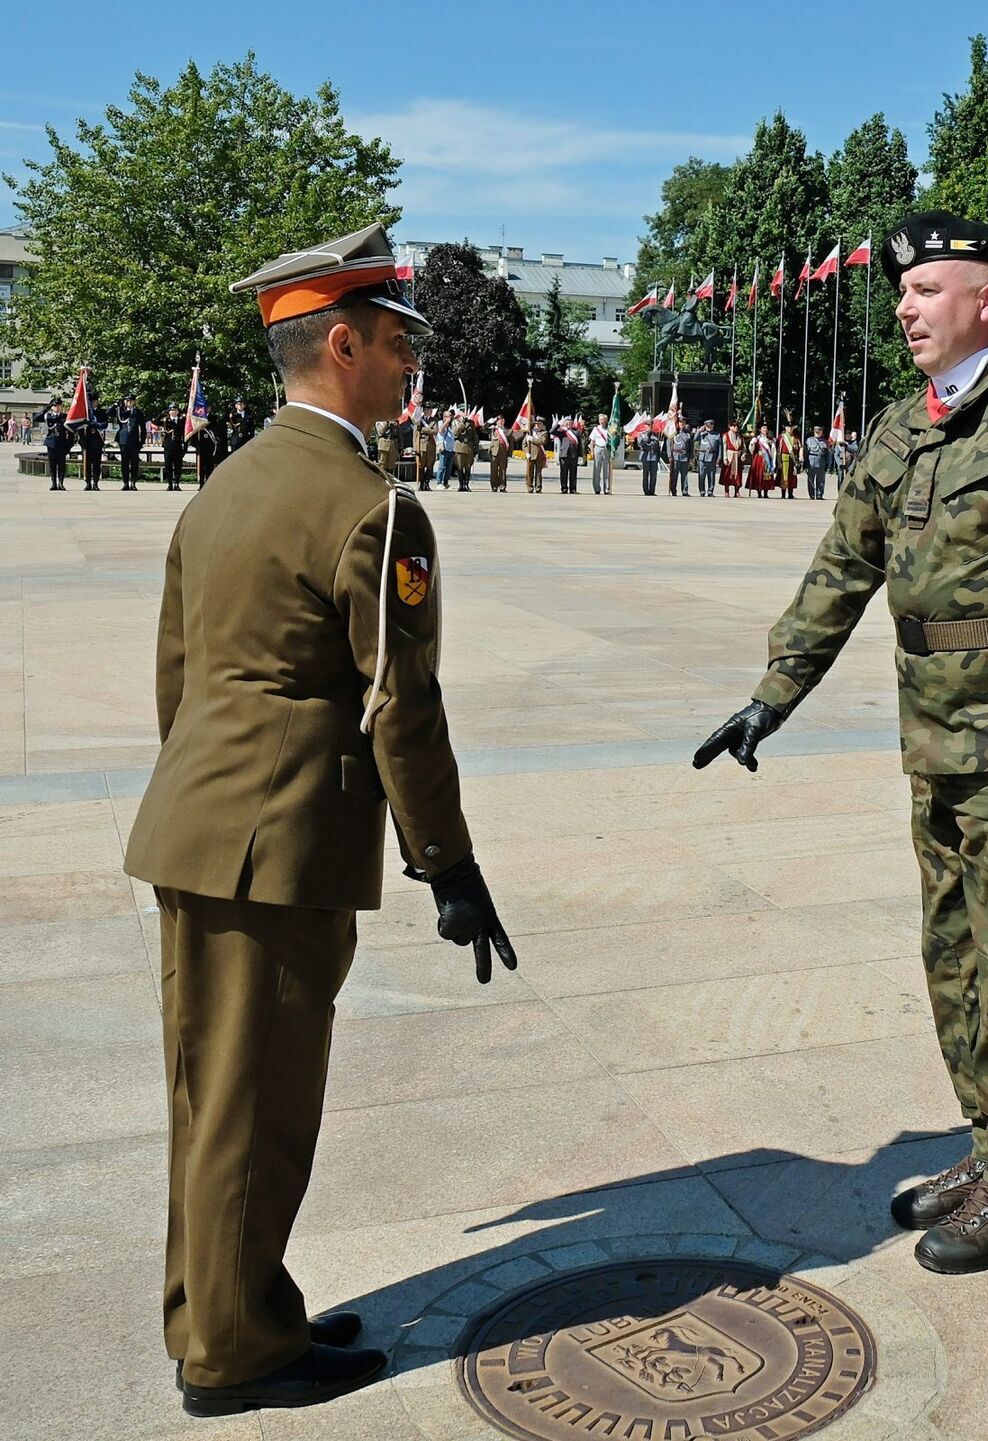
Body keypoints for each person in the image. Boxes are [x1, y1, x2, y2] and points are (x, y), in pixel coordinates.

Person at [694, 210, 988, 1276]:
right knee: (953, 959)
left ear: (987, 299)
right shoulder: (903, 426)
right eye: (902, 293)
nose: (905, 307)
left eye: (927, 290)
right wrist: (775, 693)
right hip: (935, 743)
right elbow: (841, 568)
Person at [124, 221, 516, 1418]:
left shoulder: (227, 483)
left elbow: (176, 674)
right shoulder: (372, 506)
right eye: (397, 343)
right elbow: (403, 705)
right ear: (339, 343)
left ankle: (224, 1308)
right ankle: (238, 1355)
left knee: (209, 1093)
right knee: (262, 1106)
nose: (410, 368)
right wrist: (448, 862)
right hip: (282, 844)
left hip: (196, 824)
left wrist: (205, 799)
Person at [38, 399, 72, 490]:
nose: (57, 407)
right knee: (52, 464)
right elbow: (36, 418)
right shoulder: (47, 416)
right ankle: (53, 483)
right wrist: (47, 408)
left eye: (58, 405)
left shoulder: (65, 416)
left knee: (61, 465)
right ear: (52, 407)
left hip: (62, 443)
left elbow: (71, 430)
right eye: (55, 405)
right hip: (51, 443)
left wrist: (69, 444)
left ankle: (61, 483)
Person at [114, 396, 146, 490]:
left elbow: (143, 428)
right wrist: (116, 405)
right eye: (127, 401)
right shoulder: (121, 411)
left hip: (135, 441)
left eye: (131, 401)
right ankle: (125, 483)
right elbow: (109, 413)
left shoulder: (138, 412)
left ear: (134, 402)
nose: (129, 402)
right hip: (123, 440)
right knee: (124, 463)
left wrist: (142, 442)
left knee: (134, 463)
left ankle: (133, 483)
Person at [79, 405, 107, 490]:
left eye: (95, 401)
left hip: (97, 442)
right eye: (91, 401)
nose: (93, 403)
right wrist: (81, 439)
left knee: (96, 465)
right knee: (87, 464)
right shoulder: (84, 412)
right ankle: (88, 483)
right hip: (87, 442)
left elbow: (104, 424)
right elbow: (80, 426)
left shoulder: (101, 412)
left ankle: (95, 483)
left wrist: (95, 424)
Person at [551, 417, 582, 494]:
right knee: (563, 473)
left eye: (570, 423)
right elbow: (552, 431)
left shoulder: (576, 432)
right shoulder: (562, 432)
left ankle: (573, 489)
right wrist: (558, 424)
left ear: (572, 424)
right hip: (564, 455)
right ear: (564, 424)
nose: (568, 425)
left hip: (573, 455)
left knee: (573, 473)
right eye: (566, 423)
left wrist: (580, 455)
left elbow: (580, 445)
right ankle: (564, 488)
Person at [160, 404, 186, 490]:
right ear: (169, 411)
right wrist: (162, 414)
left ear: (178, 412)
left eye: (176, 410)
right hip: (168, 446)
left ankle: (177, 484)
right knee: (168, 467)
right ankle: (170, 484)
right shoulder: (165, 421)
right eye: (172, 410)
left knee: (178, 466)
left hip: (178, 446)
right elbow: (155, 422)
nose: (174, 412)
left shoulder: (182, 421)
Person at [803, 424, 830, 500]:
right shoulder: (809, 440)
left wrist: (828, 464)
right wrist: (805, 462)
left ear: (821, 432)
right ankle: (811, 495)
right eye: (816, 432)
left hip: (821, 462)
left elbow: (827, 454)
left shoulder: (825, 442)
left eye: (819, 432)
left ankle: (819, 494)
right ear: (814, 432)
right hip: (811, 462)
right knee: (810, 480)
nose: (817, 433)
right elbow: (806, 452)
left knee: (821, 480)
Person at [696, 419, 722, 496]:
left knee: (711, 475)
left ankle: (710, 491)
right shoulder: (702, 434)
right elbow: (694, 439)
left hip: (712, 457)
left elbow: (719, 447)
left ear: (713, 426)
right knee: (701, 475)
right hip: (702, 457)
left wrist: (719, 458)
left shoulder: (717, 435)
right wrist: (699, 431)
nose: (709, 427)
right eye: (707, 425)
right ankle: (702, 491)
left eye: (710, 425)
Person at [747, 423, 774, 497]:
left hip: (767, 459)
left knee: (767, 475)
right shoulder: (757, 439)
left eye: (766, 428)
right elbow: (751, 450)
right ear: (760, 430)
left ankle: (766, 492)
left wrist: (771, 444)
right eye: (763, 428)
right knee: (759, 475)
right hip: (759, 458)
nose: (765, 430)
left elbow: (773, 450)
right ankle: (759, 492)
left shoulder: (770, 439)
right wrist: (752, 444)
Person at [414, 408, 438, 490]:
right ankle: (422, 484)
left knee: (430, 465)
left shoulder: (434, 420)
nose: (428, 412)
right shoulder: (419, 421)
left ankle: (427, 484)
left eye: (430, 411)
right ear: (423, 412)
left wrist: (423, 429)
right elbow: (415, 435)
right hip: (421, 446)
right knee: (421, 465)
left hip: (431, 446)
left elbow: (435, 431)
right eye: (427, 411)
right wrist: (415, 448)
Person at [452, 410, 476, 490]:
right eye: (463, 412)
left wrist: (476, 447)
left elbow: (474, 435)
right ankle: (461, 484)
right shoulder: (455, 422)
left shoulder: (471, 423)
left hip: (469, 447)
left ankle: (466, 484)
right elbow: (455, 433)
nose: (465, 413)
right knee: (460, 467)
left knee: (468, 467)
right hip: (459, 447)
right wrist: (462, 422)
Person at [488, 415, 513, 492]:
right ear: (496, 421)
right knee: (493, 470)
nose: (501, 422)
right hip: (494, 452)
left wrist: (510, 454)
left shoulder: (507, 430)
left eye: (502, 420)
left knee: (503, 470)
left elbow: (511, 443)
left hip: (503, 452)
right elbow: (482, 429)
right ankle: (494, 486)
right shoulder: (492, 429)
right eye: (499, 420)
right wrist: (488, 423)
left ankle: (502, 486)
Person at [669, 420, 692, 496]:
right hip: (676, 456)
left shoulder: (687, 434)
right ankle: (673, 490)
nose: (681, 425)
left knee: (684, 475)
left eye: (683, 423)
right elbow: (668, 444)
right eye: (680, 423)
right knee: (674, 475)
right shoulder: (674, 433)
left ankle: (684, 490)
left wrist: (690, 457)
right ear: (678, 424)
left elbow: (690, 446)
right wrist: (670, 456)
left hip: (684, 457)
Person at [721, 420, 744, 496]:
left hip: (738, 457)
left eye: (737, 426)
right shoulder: (726, 435)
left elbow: (744, 448)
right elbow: (724, 448)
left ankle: (737, 491)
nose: (736, 428)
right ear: (730, 427)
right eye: (734, 426)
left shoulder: (740, 436)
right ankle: (726, 491)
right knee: (727, 475)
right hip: (730, 457)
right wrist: (725, 458)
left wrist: (743, 455)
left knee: (738, 476)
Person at [590, 413, 611, 494]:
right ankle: (597, 488)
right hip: (598, 448)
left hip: (606, 449)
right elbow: (592, 442)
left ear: (606, 421)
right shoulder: (596, 429)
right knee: (596, 470)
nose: (602, 422)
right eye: (600, 420)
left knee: (607, 470)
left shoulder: (609, 429)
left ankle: (606, 488)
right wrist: (592, 451)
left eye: (603, 420)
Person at [524, 421, 548, 492]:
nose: (537, 425)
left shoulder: (544, 433)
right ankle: (529, 487)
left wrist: (532, 439)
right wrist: (526, 452)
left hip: (539, 454)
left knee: (538, 472)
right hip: (530, 454)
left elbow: (542, 441)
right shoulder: (529, 432)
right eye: (536, 424)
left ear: (541, 425)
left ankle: (538, 487)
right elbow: (524, 444)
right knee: (529, 472)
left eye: (539, 424)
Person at [778, 424, 801, 498]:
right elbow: (778, 449)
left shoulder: (796, 437)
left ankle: (790, 493)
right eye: (788, 427)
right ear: (785, 428)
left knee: (792, 476)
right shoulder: (782, 437)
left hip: (793, 459)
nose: (790, 429)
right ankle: (783, 494)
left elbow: (800, 447)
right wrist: (779, 461)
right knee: (784, 476)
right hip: (784, 458)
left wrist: (801, 456)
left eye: (791, 427)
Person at [435, 409, 455, 488]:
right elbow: (440, 430)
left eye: (450, 416)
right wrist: (446, 422)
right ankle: (439, 482)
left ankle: (446, 482)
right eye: (447, 416)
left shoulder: (452, 425)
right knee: (442, 466)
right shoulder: (440, 422)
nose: (449, 418)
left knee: (449, 467)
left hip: (451, 448)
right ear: (444, 417)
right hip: (444, 448)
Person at [639, 428, 661, 495]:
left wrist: (658, 458)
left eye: (650, 428)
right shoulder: (641, 435)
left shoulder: (655, 438)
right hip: (645, 457)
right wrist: (647, 438)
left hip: (653, 458)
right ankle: (646, 491)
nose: (649, 429)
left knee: (653, 475)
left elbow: (658, 449)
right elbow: (640, 443)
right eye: (647, 427)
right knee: (645, 475)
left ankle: (652, 491)